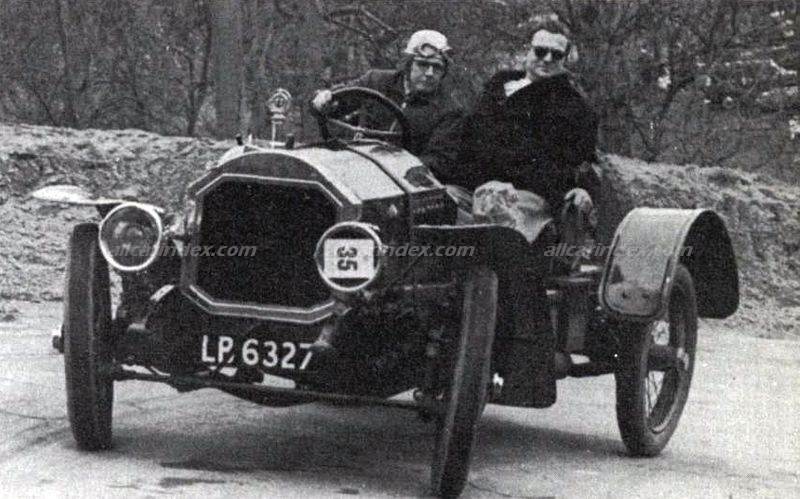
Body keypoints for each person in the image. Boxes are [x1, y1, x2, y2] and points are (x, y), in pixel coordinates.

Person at [457, 15, 600, 407]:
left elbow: (585, 162)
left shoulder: (573, 107)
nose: (547, 60)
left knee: (505, 239)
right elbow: (468, 137)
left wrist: (580, 190)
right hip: (472, 187)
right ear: (526, 52)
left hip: (529, 196)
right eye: (540, 51)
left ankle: (522, 365)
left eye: (557, 54)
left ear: (566, 59)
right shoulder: (497, 88)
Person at [311, 29, 464, 185]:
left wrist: (406, 168)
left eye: (437, 67)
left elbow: (439, 160)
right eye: (423, 65)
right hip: (356, 165)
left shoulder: (449, 110)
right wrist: (325, 101)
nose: (430, 73)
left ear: (444, 72)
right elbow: (337, 101)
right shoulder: (376, 81)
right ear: (409, 64)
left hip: (402, 181)